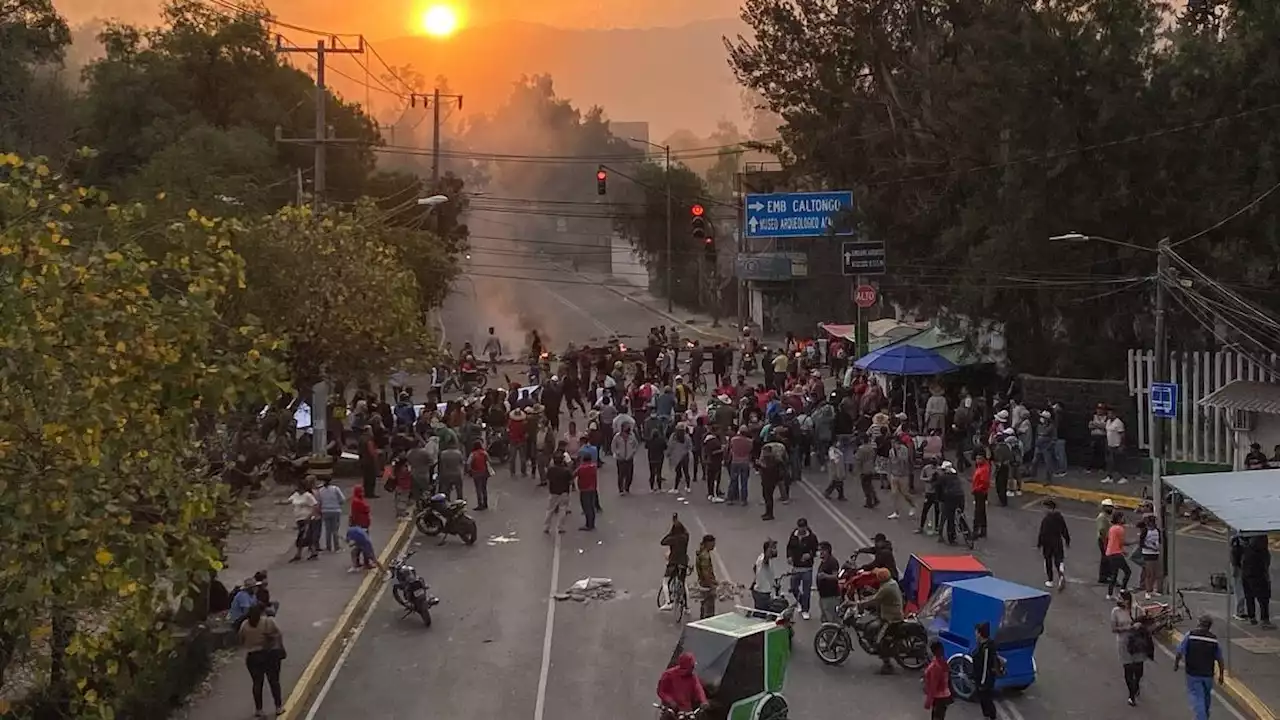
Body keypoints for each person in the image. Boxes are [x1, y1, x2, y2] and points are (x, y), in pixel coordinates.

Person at [237, 602, 285, 718]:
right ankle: (278, 707)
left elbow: (240, 640)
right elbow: (279, 634)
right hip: (269, 655)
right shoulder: (268, 622)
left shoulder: (245, 625)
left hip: (253, 657)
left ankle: (259, 709)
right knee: (274, 681)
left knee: (257, 683)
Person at [1174, 615, 1226, 720]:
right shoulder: (1213, 639)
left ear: (1199, 623)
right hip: (1208, 675)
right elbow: (1220, 659)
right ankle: (1205, 715)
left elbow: (1180, 652)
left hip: (1193, 673)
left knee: (1198, 698)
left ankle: (1201, 717)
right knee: (1206, 697)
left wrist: (1176, 664)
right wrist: (1221, 675)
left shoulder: (1190, 635)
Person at [857, 567, 903, 674]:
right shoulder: (891, 583)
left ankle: (887, 665)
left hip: (891, 619)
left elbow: (875, 599)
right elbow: (879, 595)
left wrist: (861, 604)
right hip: (887, 614)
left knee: (880, 641)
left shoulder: (887, 587)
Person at [1112, 590, 1149, 706]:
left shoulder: (1136, 610)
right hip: (1124, 643)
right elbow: (1114, 629)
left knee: (1139, 669)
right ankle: (1131, 695)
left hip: (1138, 643)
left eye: (1121, 598)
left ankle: (1136, 684)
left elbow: (1146, 623)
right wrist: (1129, 628)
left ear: (1127, 600)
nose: (1119, 600)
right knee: (1128, 668)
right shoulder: (1115, 612)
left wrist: (1141, 624)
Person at [785, 518, 819, 620]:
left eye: (803, 527)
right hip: (796, 567)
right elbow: (789, 548)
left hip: (807, 568)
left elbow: (816, 550)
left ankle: (805, 609)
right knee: (794, 587)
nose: (801, 529)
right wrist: (789, 556)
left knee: (806, 590)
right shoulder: (794, 536)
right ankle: (801, 601)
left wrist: (810, 555)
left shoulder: (811, 537)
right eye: (800, 527)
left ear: (806, 527)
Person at [656, 652, 709, 716]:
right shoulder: (669, 675)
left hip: (686, 712)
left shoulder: (693, 677)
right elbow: (661, 691)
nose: (693, 669)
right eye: (692, 667)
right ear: (685, 667)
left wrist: (703, 701)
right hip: (671, 710)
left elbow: (698, 689)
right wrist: (670, 701)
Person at [1036, 499, 1071, 589]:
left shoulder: (1046, 520)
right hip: (1057, 541)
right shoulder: (1059, 517)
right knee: (1058, 559)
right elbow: (1064, 529)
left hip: (1048, 544)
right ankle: (1061, 571)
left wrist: (1039, 544)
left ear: (1048, 508)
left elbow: (1042, 533)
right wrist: (1067, 540)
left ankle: (1050, 580)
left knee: (1048, 561)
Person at [661, 514, 691, 611]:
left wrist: (671, 532)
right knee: (683, 582)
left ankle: (668, 602)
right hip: (683, 561)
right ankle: (687, 607)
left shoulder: (672, 539)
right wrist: (677, 522)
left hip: (673, 562)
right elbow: (685, 530)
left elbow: (663, 541)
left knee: (665, 582)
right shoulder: (686, 536)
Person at [972, 621, 1000, 719]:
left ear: (980, 633)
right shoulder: (983, 644)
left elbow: (984, 667)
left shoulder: (986, 648)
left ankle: (991, 717)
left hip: (985, 681)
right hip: (982, 680)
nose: (975, 634)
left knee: (987, 700)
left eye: (976, 632)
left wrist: (982, 683)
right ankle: (987, 716)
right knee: (984, 700)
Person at [1105, 510, 1132, 599]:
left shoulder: (1112, 528)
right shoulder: (1120, 529)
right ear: (1119, 519)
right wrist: (1135, 541)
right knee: (1127, 572)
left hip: (1110, 553)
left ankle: (1109, 593)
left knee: (1114, 574)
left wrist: (1122, 551)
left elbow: (1113, 542)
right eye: (1122, 517)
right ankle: (1122, 590)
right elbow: (1123, 542)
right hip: (1116, 553)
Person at [923, 639, 953, 719]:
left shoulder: (935, 666)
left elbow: (933, 685)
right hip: (944, 696)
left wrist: (928, 701)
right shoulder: (943, 662)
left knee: (937, 716)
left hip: (938, 698)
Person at [544, 453, 573, 534]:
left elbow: (548, 481)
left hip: (553, 492)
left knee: (550, 510)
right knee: (562, 510)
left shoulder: (550, 470)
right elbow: (570, 481)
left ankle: (547, 526)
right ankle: (560, 527)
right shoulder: (566, 471)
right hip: (564, 492)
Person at [815, 541, 842, 624]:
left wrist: (825, 576)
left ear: (827, 551)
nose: (820, 553)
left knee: (832, 619)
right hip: (823, 595)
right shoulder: (824, 562)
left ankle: (834, 635)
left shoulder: (832, 562)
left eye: (822, 550)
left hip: (831, 596)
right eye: (819, 550)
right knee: (825, 619)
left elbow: (836, 576)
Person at [751, 539, 780, 612]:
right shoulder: (765, 560)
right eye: (773, 548)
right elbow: (765, 559)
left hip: (760, 591)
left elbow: (754, 567)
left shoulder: (761, 557)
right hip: (762, 593)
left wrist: (759, 578)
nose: (775, 551)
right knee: (762, 615)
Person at [695, 534, 718, 619]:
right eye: (713, 543)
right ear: (708, 543)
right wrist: (712, 585)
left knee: (704, 605)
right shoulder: (705, 556)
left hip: (702, 583)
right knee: (709, 609)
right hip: (706, 585)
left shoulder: (701, 552)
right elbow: (706, 573)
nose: (714, 545)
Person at [575, 452, 600, 531]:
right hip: (592, 488)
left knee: (586, 507)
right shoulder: (593, 467)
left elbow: (574, 474)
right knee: (591, 507)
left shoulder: (581, 468)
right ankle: (592, 524)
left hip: (584, 489)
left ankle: (588, 524)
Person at [467, 441, 493, 511]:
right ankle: (485, 503)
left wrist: (469, 471)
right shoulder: (484, 452)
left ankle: (480, 504)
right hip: (484, 472)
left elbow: (468, 463)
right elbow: (489, 461)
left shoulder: (473, 454)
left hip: (476, 473)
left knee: (478, 489)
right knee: (484, 488)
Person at [970, 456, 991, 538]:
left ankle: (975, 531)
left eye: (979, 459)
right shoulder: (980, 467)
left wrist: (976, 489)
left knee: (978, 512)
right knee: (981, 512)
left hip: (980, 492)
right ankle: (983, 530)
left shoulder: (984, 469)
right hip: (978, 491)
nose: (977, 460)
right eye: (977, 458)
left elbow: (984, 483)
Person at [1096, 498, 1116, 584]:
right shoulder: (1102, 517)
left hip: (1105, 539)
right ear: (1104, 507)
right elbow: (1102, 530)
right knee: (1106, 559)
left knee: (1106, 558)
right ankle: (1104, 577)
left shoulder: (1105, 517)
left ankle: (1105, 576)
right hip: (1103, 539)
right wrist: (1105, 541)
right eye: (1110, 507)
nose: (1111, 509)